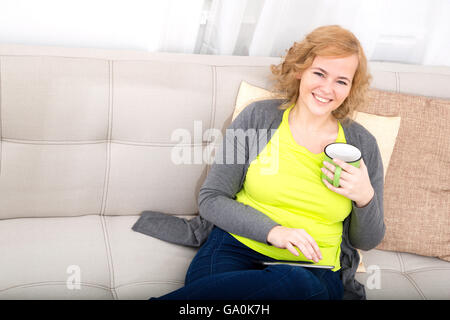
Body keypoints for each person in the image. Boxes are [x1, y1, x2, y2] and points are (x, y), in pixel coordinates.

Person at [144, 25, 385, 300]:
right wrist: (274, 232)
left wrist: (365, 198)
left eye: (341, 81)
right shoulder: (258, 118)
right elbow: (212, 198)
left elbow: (366, 240)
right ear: (299, 70)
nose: (327, 88)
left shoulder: (362, 144)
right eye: (319, 73)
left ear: (351, 88)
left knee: (298, 283)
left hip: (313, 271)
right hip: (236, 249)